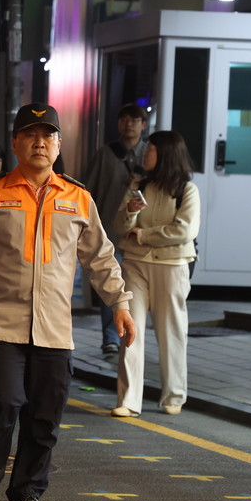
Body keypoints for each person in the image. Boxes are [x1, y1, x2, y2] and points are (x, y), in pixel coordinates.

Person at [0, 103, 135, 501]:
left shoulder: (77, 197)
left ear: (58, 144)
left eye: (47, 135)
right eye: (30, 135)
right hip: (1, 321)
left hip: (54, 329)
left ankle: (27, 495)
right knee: (4, 402)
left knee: (45, 415)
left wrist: (119, 305)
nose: (39, 142)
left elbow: (101, 259)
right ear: (16, 142)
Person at [113, 130, 200, 418]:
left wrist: (142, 234)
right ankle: (128, 400)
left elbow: (185, 231)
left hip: (172, 266)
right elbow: (118, 225)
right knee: (130, 330)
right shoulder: (138, 183)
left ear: (165, 154)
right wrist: (129, 211)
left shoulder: (187, 189)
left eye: (149, 149)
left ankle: (174, 395)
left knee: (171, 331)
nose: (144, 153)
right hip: (135, 263)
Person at [82, 103, 148, 354]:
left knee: (134, 289)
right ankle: (111, 337)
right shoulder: (106, 153)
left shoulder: (149, 154)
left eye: (134, 120)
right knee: (111, 286)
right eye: (124, 120)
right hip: (110, 231)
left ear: (143, 124)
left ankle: (132, 336)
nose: (128, 124)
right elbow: (89, 190)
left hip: (140, 235)